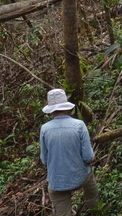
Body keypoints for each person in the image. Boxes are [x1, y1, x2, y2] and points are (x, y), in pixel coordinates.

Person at [38, 88, 99, 216]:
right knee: (91, 189)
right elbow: (88, 157)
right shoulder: (79, 125)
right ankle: (94, 210)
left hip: (57, 182)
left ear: (51, 110)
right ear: (67, 107)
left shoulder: (44, 129)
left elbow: (44, 159)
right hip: (80, 177)